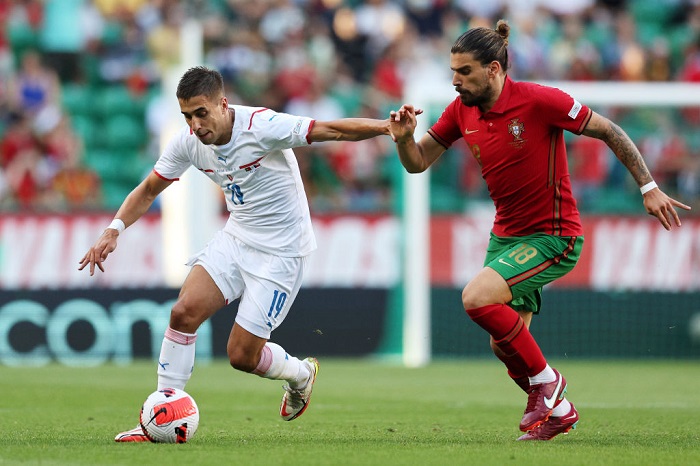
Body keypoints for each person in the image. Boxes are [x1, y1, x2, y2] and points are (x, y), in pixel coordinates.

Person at [388, 20, 690, 441]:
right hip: (507, 236)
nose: (455, 81)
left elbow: (609, 130)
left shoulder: (539, 101)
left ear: (494, 69)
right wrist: (404, 139)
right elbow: (417, 163)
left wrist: (649, 186)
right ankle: (560, 411)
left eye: (464, 72)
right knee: (504, 344)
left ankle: (549, 384)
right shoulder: (461, 111)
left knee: (476, 298)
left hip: (554, 235)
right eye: (452, 71)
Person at [79, 66, 397, 442]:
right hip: (237, 237)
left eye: (201, 113)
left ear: (223, 104)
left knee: (242, 356)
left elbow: (330, 129)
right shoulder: (188, 142)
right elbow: (148, 189)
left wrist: (385, 127)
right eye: (187, 116)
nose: (195, 125)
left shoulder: (262, 126)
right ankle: (160, 414)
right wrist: (113, 230)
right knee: (183, 313)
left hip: (283, 252)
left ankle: (300, 375)